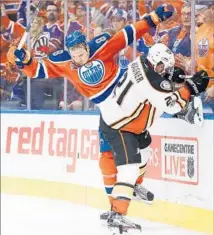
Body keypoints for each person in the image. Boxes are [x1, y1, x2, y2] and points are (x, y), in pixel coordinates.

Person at [7, 5, 196, 233]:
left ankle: (179, 108)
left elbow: (128, 33)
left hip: (130, 92)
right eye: (74, 52)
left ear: (87, 46)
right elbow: (37, 70)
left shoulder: (102, 46)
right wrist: (24, 60)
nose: (78, 56)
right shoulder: (65, 62)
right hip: (110, 111)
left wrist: (153, 18)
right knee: (109, 155)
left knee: (145, 135)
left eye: (81, 51)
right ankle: (115, 206)